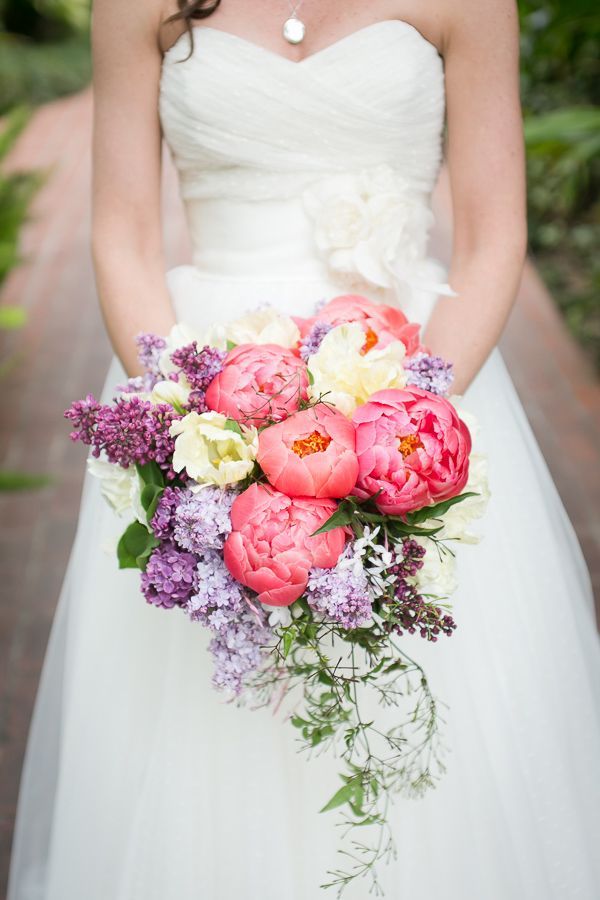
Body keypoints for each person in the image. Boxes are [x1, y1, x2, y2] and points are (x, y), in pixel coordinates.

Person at [7, 1, 600, 897]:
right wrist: (200, 431)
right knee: (201, 741)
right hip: (206, 386)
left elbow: (492, 238)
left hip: (411, 377)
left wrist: (401, 425)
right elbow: (121, 236)